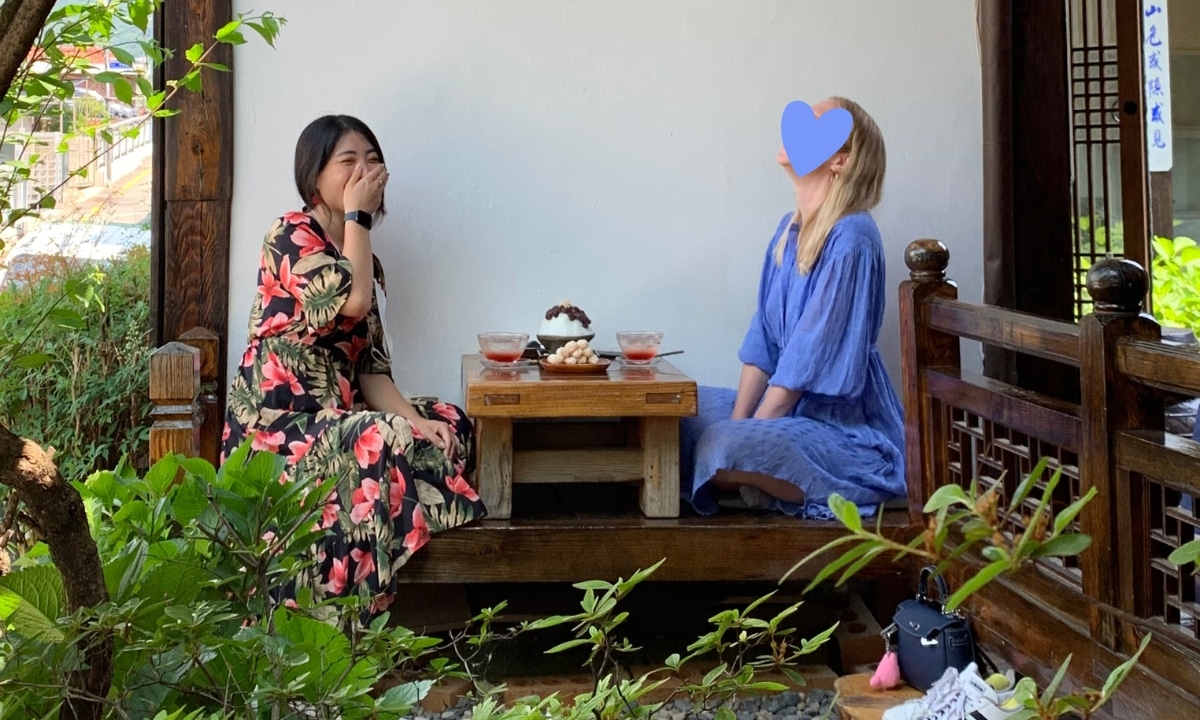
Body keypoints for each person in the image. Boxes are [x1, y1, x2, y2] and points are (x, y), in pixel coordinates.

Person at [222, 115, 487, 618]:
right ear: (314, 178)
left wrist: (418, 421)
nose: (363, 171)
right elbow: (353, 302)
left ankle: (390, 552)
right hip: (278, 429)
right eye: (347, 161)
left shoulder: (362, 254)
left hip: (338, 417)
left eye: (371, 159)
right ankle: (351, 605)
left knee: (449, 421)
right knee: (384, 437)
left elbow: (372, 373)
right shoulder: (289, 233)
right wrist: (358, 220)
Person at [680, 97, 906, 519]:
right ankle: (753, 476)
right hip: (787, 410)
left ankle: (762, 476)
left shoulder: (853, 238)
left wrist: (744, 434)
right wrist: (740, 420)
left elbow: (806, 359)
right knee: (680, 411)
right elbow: (763, 340)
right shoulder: (788, 230)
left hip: (841, 428)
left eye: (818, 122)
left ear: (840, 159)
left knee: (721, 445)